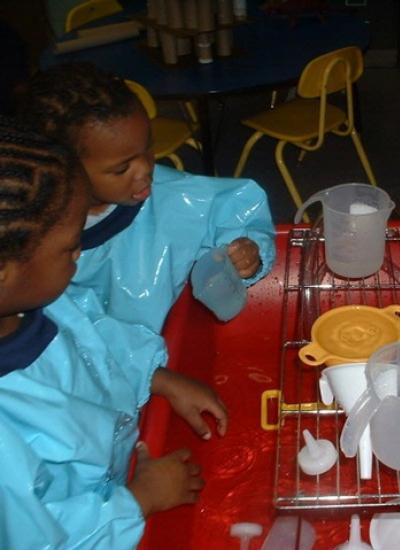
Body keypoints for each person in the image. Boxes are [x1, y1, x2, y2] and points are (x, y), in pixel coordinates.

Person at [0, 120, 229, 548]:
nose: (80, 254)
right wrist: (139, 500)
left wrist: (158, 378)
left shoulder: (40, 301)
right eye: (70, 247)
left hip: (123, 471)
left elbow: (95, 339)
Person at [16, 62, 276, 332]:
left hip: (173, 343)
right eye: (121, 169)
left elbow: (234, 209)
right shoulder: (37, 238)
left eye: (148, 148)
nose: (145, 171)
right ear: (62, 169)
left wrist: (247, 252)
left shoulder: (171, 194)